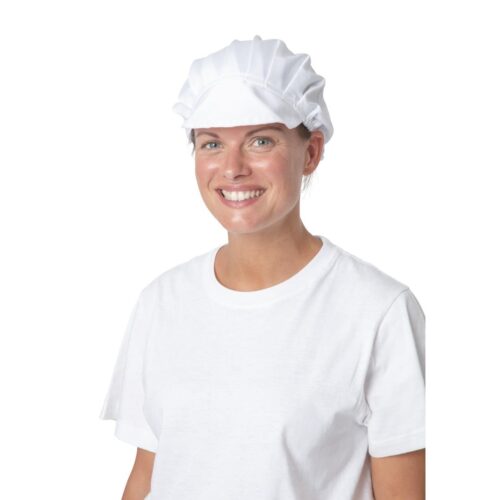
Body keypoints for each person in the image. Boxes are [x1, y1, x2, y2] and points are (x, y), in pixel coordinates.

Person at [99, 35, 425, 500]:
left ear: (311, 152)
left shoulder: (378, 312)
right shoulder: (162, 302)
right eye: (212, 143)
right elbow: (148, 475)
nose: (232, 168)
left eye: (260, 141)